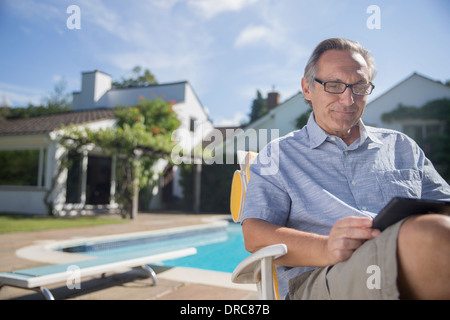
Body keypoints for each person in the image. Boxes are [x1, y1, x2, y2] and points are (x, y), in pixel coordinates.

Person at [241, 37, 450, 300]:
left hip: (408, 253)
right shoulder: (279, 155)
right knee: (432, 237)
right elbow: (254, 235)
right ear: (307, 89)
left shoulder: (401, 146)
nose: (348, 99)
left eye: (359, 87)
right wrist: (327, 247)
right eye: (334, 85)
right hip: (322, 277)